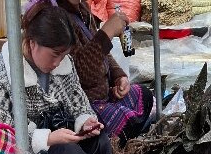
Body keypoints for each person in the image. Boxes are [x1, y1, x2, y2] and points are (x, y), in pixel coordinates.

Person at [0, 0, 114, 154]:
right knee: (67, 153)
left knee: (100, 141)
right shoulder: (2, 73)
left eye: (63, 55)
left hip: (57, 127)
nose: (58, 62)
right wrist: (48, 138)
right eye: (54, 55)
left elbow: (78, 100)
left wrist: (86, 122)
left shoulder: (63, 64)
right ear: (32, 42)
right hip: (22, 145)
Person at [57, 0, 153, 144]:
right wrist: (106, 33)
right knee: (127, 121)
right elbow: (80, 74)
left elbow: (104, 53)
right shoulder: (57, 17)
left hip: (105, 94)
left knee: (144, 95)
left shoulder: (82, 8)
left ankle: (119, 138)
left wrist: (118, 75)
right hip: (83, 105)